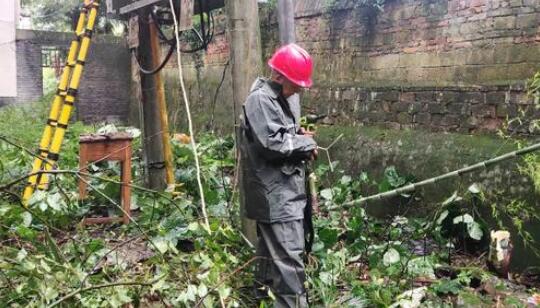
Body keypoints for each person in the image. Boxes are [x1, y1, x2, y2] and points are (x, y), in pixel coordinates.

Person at [239, 43, 318, 307]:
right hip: (276, 198)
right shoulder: (261, 99)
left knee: (270, 261)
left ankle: (258, 301)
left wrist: (298, 140)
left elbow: (281, 137)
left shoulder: (275, 98)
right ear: (279, 76)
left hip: (279, 195)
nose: (298, 89)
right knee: (289, 268)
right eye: (296, 83)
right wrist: (306, 144)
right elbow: (272, 144)